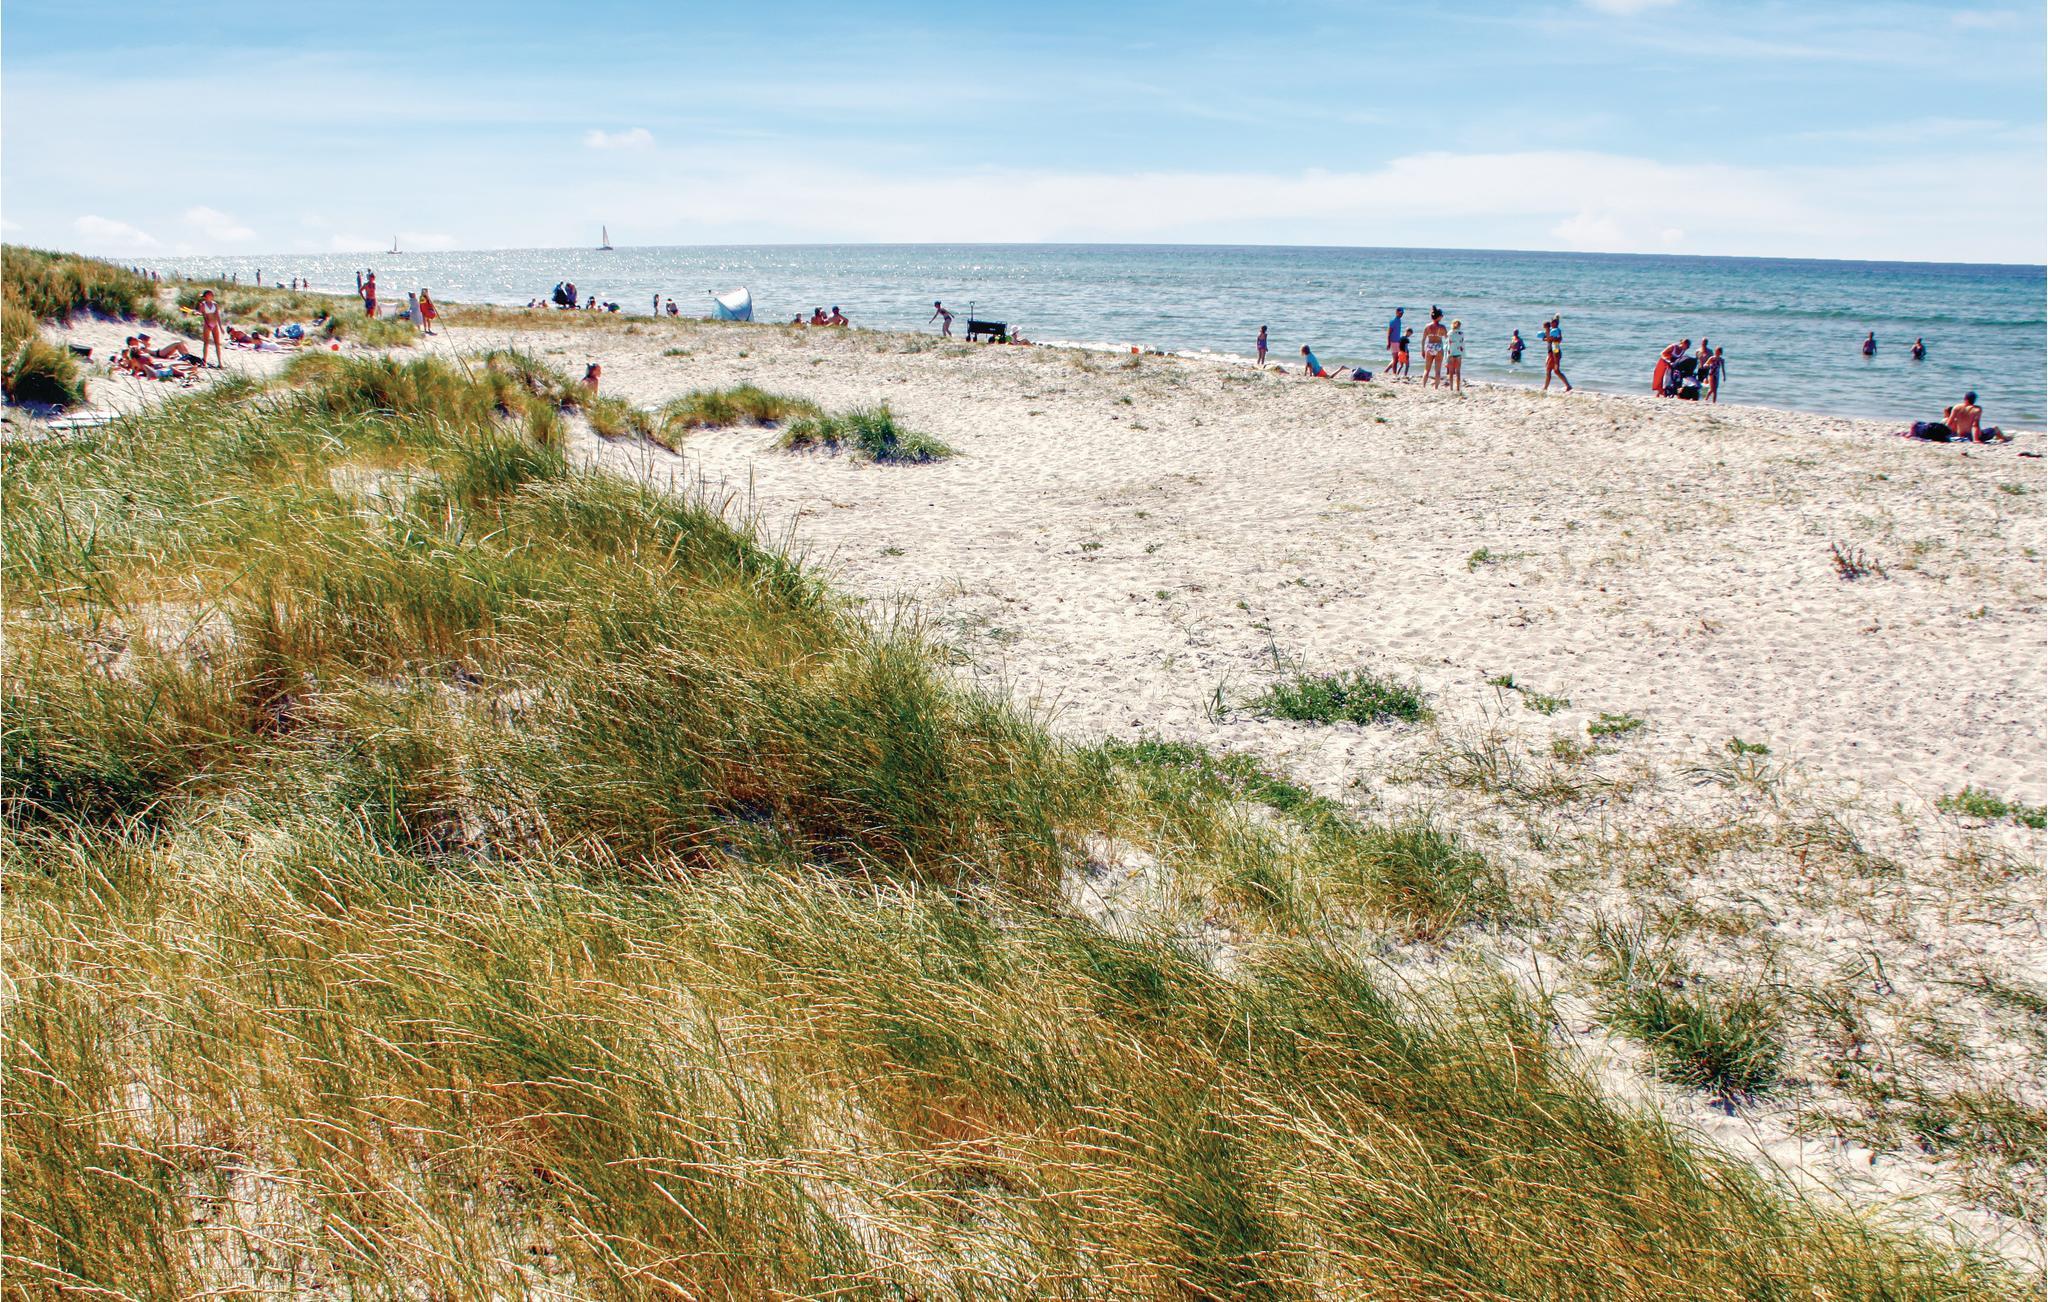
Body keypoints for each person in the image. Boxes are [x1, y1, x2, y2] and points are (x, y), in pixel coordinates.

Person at [1542, 316, 1572, 392]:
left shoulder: (1557, 330)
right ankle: (1567, 386)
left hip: (1555, 351)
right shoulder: (1550, 330)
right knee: (1553, 370)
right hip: (1551, 352)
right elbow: (1544, 338)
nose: (1551, 323)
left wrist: (1552, 339)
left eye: (1553, 322)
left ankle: (1546, 388)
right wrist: (1547, 337)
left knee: (1554, 370)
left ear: (1556, 323)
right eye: (1551, 322)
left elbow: (1559, 340)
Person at [197, 289, 225, 367]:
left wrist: (220, 327)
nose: (211, 296)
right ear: (205, 296)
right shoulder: (203, 304)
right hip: (207, 324)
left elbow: (217, 316)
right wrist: (198, 314)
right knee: (206, 343)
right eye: (209, 294)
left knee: (217, 343)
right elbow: (202, 315)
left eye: (211, 295)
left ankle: (220, 362)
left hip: (215, 324)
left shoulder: (215, 304)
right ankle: (204, 361)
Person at [1421, 307, 1447, 387]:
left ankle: (1423, 386)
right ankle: (1436, 388)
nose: (1442, 317)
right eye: (1441, 315)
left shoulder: (1427, 326)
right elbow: (1447, 339)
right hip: (1438, 347)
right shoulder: (1442, 327)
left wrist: (1422, 350)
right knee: (1437, 370)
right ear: (1438, 317)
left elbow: (1423, 339)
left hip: (1429, 346)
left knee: (1427, 369)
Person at [1444, 319, 1466, 392]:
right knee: (1458, 372)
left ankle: (1451, 388)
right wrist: (1463, 354)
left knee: (1451, 372)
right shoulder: (1462, 333)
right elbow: (1462, 344)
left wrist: (1446, 357)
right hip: (1458, 354)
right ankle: (1458, 388)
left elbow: (1447, 345)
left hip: (1451, 354)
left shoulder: (1449, 333)